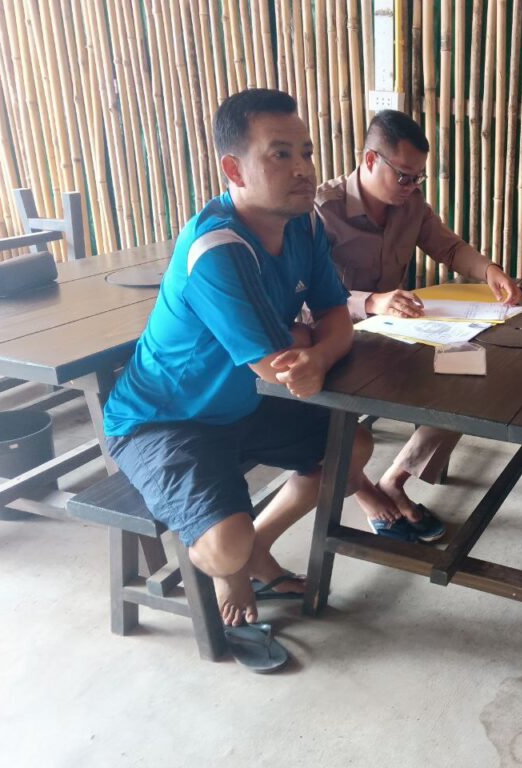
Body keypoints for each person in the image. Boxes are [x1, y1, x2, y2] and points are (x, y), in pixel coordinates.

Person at [103, 89, 374, 649]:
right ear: (234, 169)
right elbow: (277, 366)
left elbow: (334, 315)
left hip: (242, 404)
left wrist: (317, 351)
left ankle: (257, 547)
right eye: (281, 154)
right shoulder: (218, 248)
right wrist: (305, 343)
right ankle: (233, 565)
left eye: (306, 151)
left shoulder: (303, 224)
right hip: (163, 419)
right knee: (224, 546)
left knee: (353, 448)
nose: (303, 168)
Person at [315, 109, 522, 542]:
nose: (412, 187)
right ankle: (365, 493)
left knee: (471, 374)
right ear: (370, 160)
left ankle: (395, 479)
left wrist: (490, 271)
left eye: (419, 178)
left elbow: (449, 248)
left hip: (396, 338)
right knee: (334, 423)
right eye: (405, 176)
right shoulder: (321, 210)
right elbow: (302, 300)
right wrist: (372, 301)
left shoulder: (410, 205)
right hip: (335, 340)